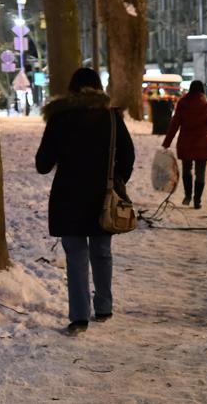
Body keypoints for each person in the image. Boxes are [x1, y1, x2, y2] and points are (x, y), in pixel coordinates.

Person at [35, 67, 135, 336]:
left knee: (76, 256)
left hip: (68, 197)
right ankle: (104, 306)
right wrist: (116, 181)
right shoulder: (112, 118)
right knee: (102, 252)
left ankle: (79, 317)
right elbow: (127, 156)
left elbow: (42, 164)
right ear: (99, 88)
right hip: (102, 195)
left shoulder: (59, 119)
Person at [163, 80, 207, 209]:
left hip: (185, 143)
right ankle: (197, 200)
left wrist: (167, 142)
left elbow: (174, 124)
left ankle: (187, 196)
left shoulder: (182, 104)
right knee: (200, 173)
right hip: (202, 143)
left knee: (187, 170)